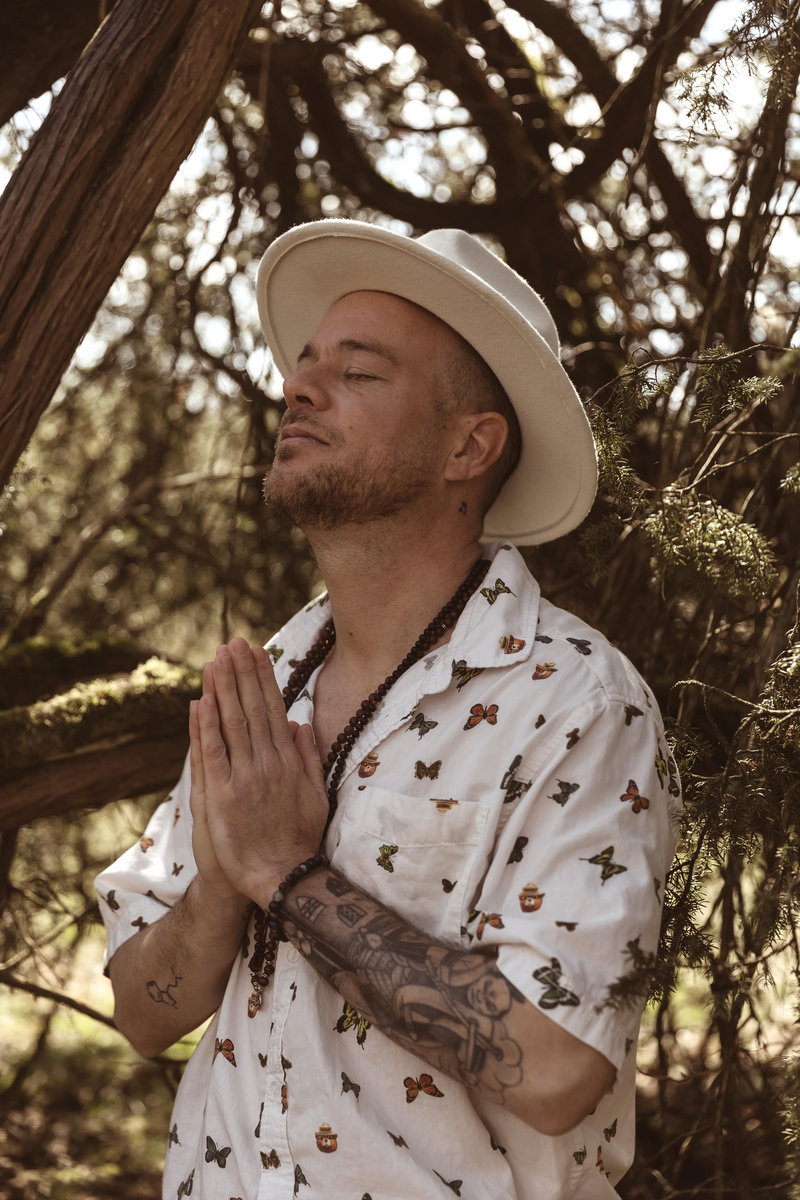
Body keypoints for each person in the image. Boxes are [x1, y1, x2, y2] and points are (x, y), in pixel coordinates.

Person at [96, 220, 681, 1200]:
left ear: (468, 445)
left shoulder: (576, 703)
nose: (299, 387)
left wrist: (288, 877)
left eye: (358, 372)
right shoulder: (265, 685)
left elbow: (556, 1070)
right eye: (305, 362)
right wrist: (225, 882)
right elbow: (140, 1011)